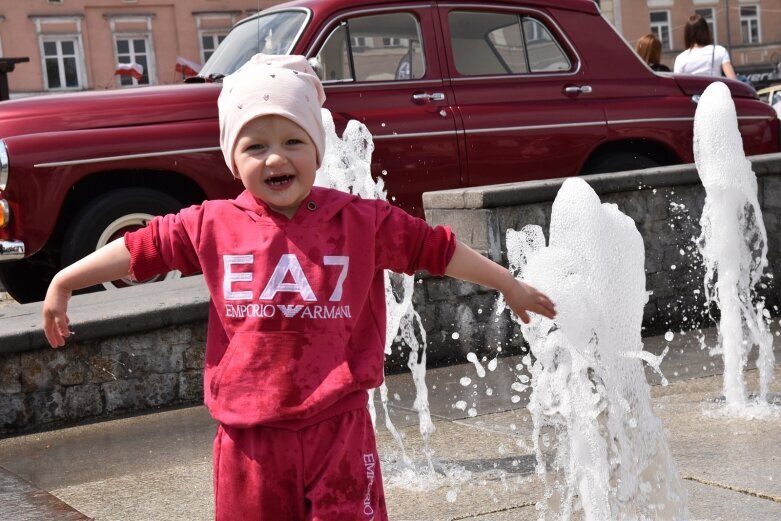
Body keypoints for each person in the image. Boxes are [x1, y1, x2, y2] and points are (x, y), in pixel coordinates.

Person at [41, 54, 556, 520]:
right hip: (249, 438)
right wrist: (65, 280)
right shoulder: (211, 223)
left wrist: (508, 284)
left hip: (339, 430)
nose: (274, 158)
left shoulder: (362, 221)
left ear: (316, 148)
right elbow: (139, 248)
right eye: (255, 146)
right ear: (232, 158)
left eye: (292, 141)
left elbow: (438, 249)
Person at [673, 14, 737, 79]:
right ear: (706, 31)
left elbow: (677, 84)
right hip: (715, 88)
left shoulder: (681, 58)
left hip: (690, 89)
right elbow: (732, 79)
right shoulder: (719, 51)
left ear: (687, 34)